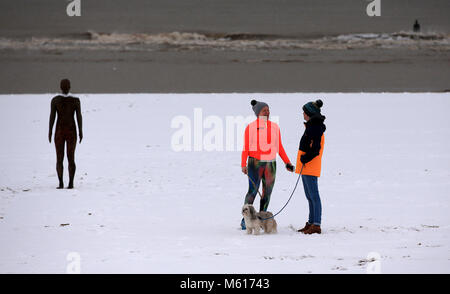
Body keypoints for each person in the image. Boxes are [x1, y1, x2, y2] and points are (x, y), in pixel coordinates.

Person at [240, 99, 294, 229]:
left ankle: (261, 219)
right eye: (264, 110)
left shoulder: (274, 126)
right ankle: (246, 220)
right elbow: (246, 147)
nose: (267, 112)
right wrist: (243, 164)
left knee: (267, 193)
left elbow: (279, 147)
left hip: (271, 163)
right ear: (258, 112)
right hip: (255, 163)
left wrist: (287, 162)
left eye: (268, 110)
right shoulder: (251, 127)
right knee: (252, 192)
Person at [295, 99, 326, 234]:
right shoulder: (312, 126)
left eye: (305, 112)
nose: (303, 114)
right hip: (306, 166)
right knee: (309, 196)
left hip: (310, 166)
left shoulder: (315, 128)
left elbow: (316, 149)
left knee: (314, 196)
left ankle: (316, 224)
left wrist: (305, 158)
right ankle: (311, 222)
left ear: (309, 114)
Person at [48, 79, 83, 189]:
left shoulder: (55, 100)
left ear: (60, 87)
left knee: (60, 158)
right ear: (70, 87)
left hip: (59, 131)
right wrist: (81, 130)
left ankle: (61, 183)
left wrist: (50, 130)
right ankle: (70, 183)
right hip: (71, 131)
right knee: (70, 157)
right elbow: (79, 117)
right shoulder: (75, 100)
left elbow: (52, 117)